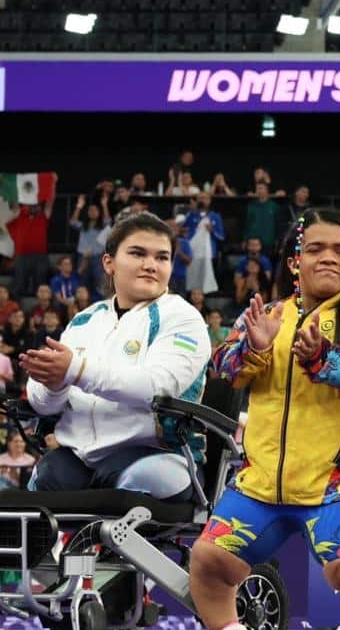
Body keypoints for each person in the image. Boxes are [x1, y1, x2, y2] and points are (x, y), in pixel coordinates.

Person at [190, 208, 340, 630]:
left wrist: (323, 357)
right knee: (207, 561)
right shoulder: (265, 314)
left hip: (335, 483)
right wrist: (255, 347)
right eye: (317, 249)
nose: (329, 258)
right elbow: (223, 367)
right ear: (294, 261)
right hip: (259, 482)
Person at [22, 212, 211, 502]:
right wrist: (53, 384)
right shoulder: (84, 320)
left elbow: (156, 386)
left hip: (160, 456)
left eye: (162, 258)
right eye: (137, 253)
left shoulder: (183, 317)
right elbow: (43, 405)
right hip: (80, 455)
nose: (150, 265)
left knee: (125, 480)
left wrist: (75, 370)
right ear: (108, 262)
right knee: (46, 477)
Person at [182, 192, 225, 295]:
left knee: (207, 281)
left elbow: (222, 236)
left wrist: (212, 230)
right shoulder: (191, 215)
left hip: (210, 254)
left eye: (205, 198)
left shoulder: (215, 216)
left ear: (209, 201)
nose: (202, 200)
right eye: (200, 198)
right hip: (193, 254)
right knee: (192, 281)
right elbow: (184, 232)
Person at [69, 193, 111, 295]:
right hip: (83, 257)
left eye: (95, 210)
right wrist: (79, 206)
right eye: (90, 210)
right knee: (82, 284)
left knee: (100, 285)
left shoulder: (102, 226)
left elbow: (108, 221)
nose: (92, 212)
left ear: (99, 212)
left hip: (98, 258)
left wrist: (104, 204)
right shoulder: (83, 226)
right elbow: (73, 222)